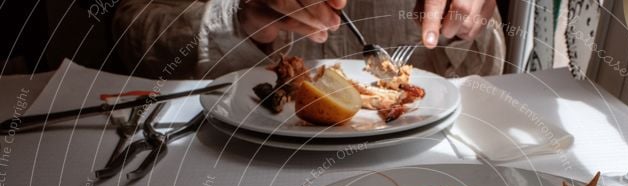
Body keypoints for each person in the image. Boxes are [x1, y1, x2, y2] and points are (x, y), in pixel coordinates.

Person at [113, 0, 506, 79]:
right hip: (232, 154)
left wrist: (468, 25)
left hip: (421, 166)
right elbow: (130, 28)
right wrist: (237, 21)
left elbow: (488, 71)